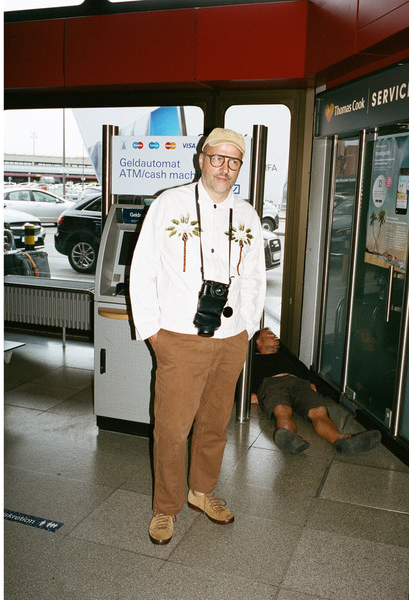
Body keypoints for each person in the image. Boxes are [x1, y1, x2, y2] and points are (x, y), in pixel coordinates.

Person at [129, 128, 266, 545]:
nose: (225, 168)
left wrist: (247, 329)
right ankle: (165, 507)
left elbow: (255, 277)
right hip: (179, 336)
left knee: (214, 424)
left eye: (233, 161)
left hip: (230, 337)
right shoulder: (169, 204)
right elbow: (143, 268)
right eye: (217, 158)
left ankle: (201, 492)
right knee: (172, 429)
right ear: (201, 159)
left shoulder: (247, 215)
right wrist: (153, 332)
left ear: (240, 167)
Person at [250, 327, 381, 455]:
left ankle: (340, 440)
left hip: (299, 383)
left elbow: (303, 370)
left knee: (319, 411)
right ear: (258, 341)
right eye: (270, 335)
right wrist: (250, 393)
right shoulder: (253, 360)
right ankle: (289, 438)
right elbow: (242, 377)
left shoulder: (286, 356)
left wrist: (314, 384)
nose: (276, 337)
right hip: (272, 383)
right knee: (282, 410)